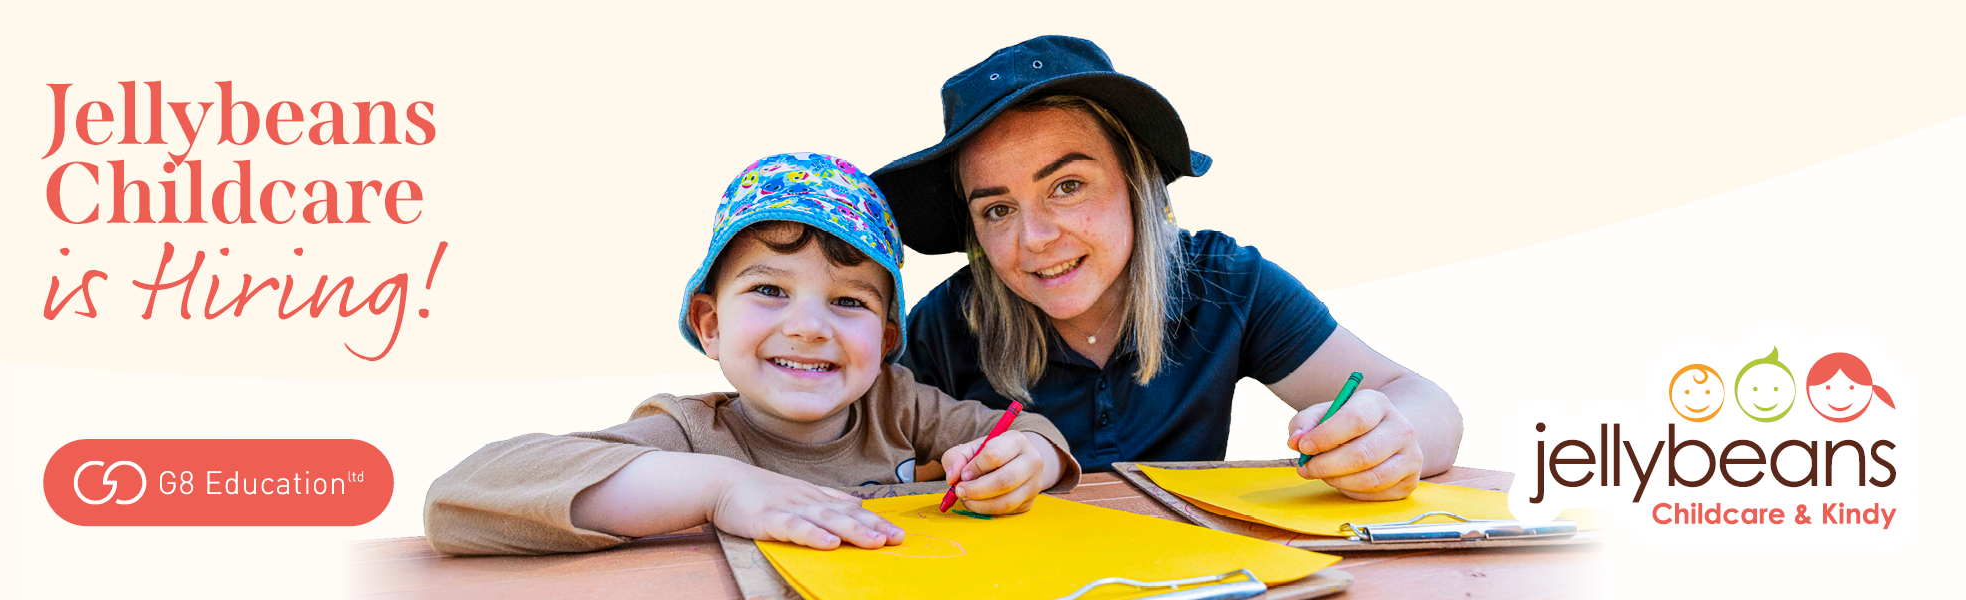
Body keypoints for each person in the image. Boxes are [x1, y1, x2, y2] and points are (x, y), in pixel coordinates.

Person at [874, 36, 1463, 501]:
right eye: (998, 209)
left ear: (1137, 183)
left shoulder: (1227, 282)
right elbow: (851, 461)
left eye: (1068, 186)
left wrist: (1392, 439)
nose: (1036, 239)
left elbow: (1421, 400)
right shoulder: (947, 325)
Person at [423, 153, 1080, 555]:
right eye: (769, 289)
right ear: (708, 323)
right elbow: (461, 499)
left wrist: (1028, 459)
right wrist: (717, 489)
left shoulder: (901, 407)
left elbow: (1026, 431)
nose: (808, 327)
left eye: (848, 302)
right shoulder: (688, 434)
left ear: (885, 343)